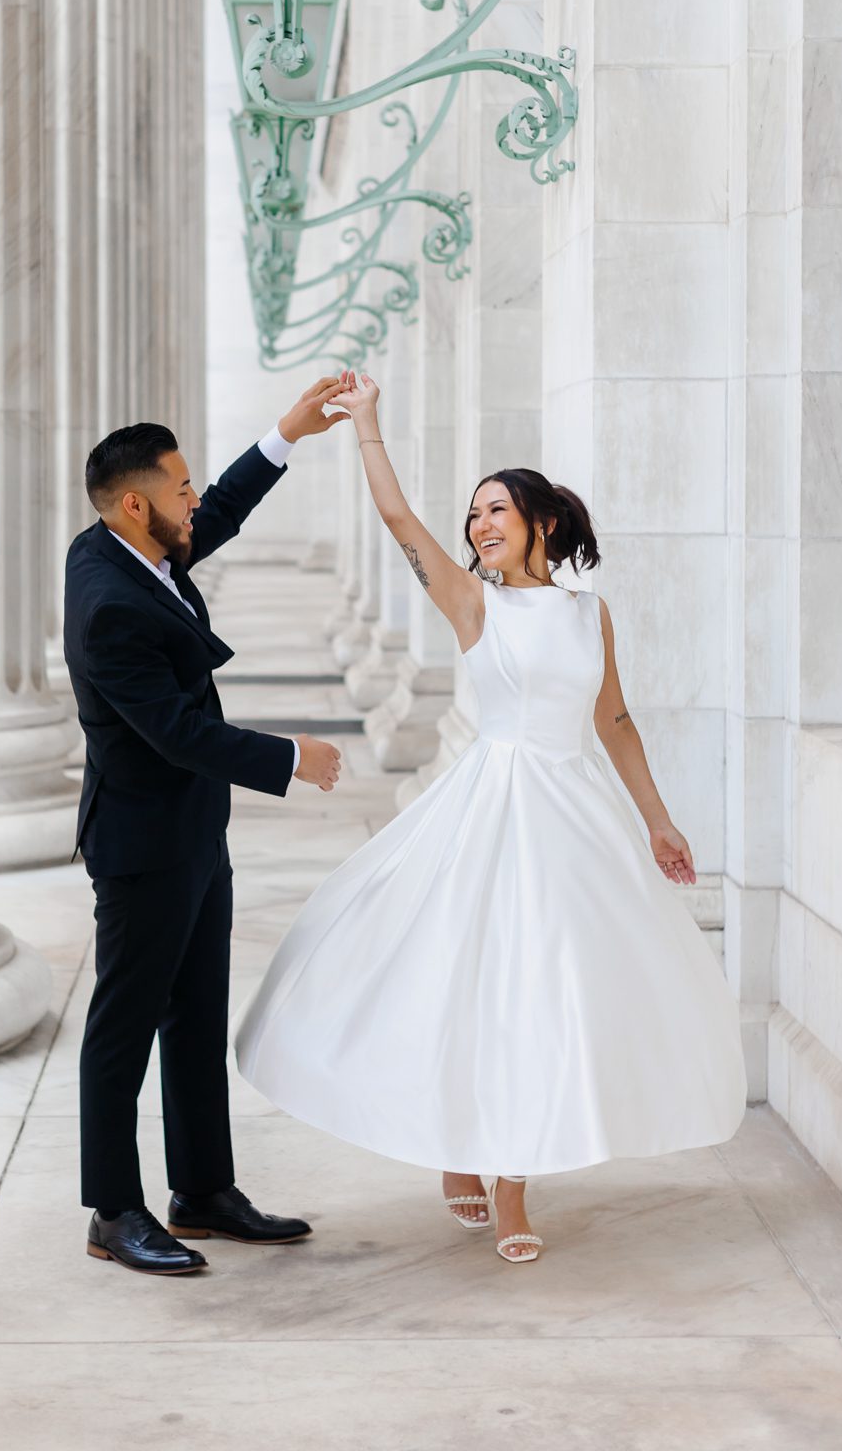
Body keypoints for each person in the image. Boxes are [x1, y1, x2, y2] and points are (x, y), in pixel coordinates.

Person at [236, 372, 747, 1266]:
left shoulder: (590, 615)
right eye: (473, 513)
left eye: (495, 509)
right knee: (478, 981)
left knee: (548, 994)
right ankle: (473, 1159)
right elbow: (401, 525)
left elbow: (614, 722)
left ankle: (504, 1169)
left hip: (575, 817)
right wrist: (367, 427)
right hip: (490, 809)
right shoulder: (477, 605)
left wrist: (659, 824)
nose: (479, 524)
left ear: (541, 522)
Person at [64, 379, 347, 1277]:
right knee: (124, 1028)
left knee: (195, 1018)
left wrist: (285, 435)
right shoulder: (108, 600)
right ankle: (114, 1210)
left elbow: (215, 515)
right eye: (179, 489)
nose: (194, 500)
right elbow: (174, 733)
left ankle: (203, 1193)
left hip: (191, 833)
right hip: (142, 847)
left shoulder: (135, 550)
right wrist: (288, 756)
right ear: (139, 503)